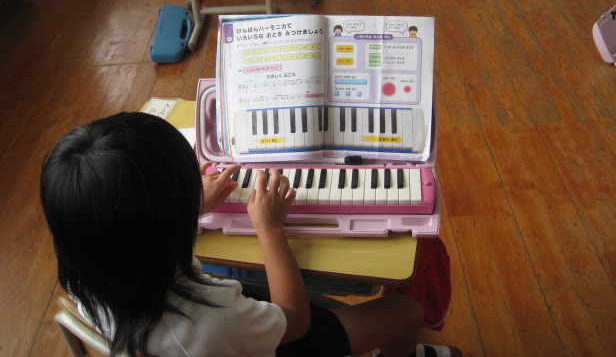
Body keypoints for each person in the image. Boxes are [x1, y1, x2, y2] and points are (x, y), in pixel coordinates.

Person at [40, 112, 463, 357]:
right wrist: (271, 230)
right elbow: (294, 321)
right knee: (405, 312)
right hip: (271, 342)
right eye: (186, 186)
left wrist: (187, 207)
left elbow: (130, 232)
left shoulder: (88, 273)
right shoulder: (212, 323)